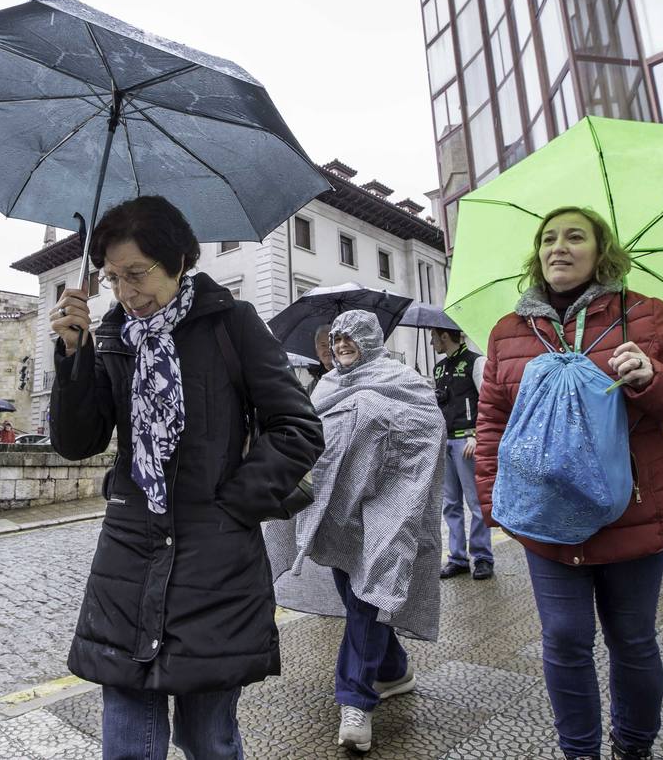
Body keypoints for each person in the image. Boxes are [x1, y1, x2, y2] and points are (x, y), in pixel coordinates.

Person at [48, 195, 324, 760]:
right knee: (126, 740)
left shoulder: (232, 324)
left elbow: (297, 426)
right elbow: (79, 441)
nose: (126, 291)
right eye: (113, 278)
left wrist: (236, 505)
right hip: (128, 552)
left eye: (137, 274)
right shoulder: (111, 336)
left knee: (208, 739)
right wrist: (72, 355)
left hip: (215, 557)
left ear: (177, 261)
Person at [475, 206, 663, 760]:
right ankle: (579, 752)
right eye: (547, 239)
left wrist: (654, 378)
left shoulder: (648, 318)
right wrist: (495, 502)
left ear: (601, 250)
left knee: (632, 640)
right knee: (564, 638)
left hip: (633, 511)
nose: (558, 247)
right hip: (545, 516)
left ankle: (633, 748)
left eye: (574, 237)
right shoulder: (510, 331)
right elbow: (493, 420)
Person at [267, 310, 444, 754]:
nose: (341, 346)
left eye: (349, 339)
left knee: (368, 599)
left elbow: (429, 428)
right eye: (335, 340)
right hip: (340, 511)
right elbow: (308, 436)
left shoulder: (401, 378)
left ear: (369, 339)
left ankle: (355, 698)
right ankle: (394, 670)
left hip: (388, 505)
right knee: (356, 595)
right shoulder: (327, 386)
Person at [431, 325, 493, 580]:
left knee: (476, 503)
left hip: (467, 444)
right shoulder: (439, 368)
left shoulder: (476, 363)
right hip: (445, 442)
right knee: (450, 504)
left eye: (433, 337)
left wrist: (478, 436)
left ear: (445, 336)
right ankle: (457, 557)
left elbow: (489, 403)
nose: (432, 342)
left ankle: (482, 557)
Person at [306, 323, 334, 395]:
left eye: (331, 344)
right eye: (323, 345)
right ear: (317, 351)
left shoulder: (349, 376)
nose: (328, 349)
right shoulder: (312, 386)